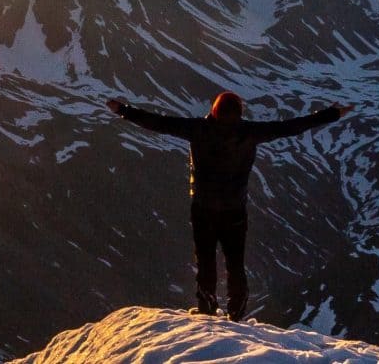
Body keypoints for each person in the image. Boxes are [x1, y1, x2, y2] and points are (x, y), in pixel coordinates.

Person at [105, 92, 353, 321]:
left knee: (205, 259)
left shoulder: (198, 129)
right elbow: (290, 127)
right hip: (235, 210)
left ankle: (206, 308)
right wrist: (331, 114)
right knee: (235, 262)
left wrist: (122, 110)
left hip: (203, 208)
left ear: (214, 110)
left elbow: (158, 122)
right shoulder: (250, 132)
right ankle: (236, 311)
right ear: (240, 113)